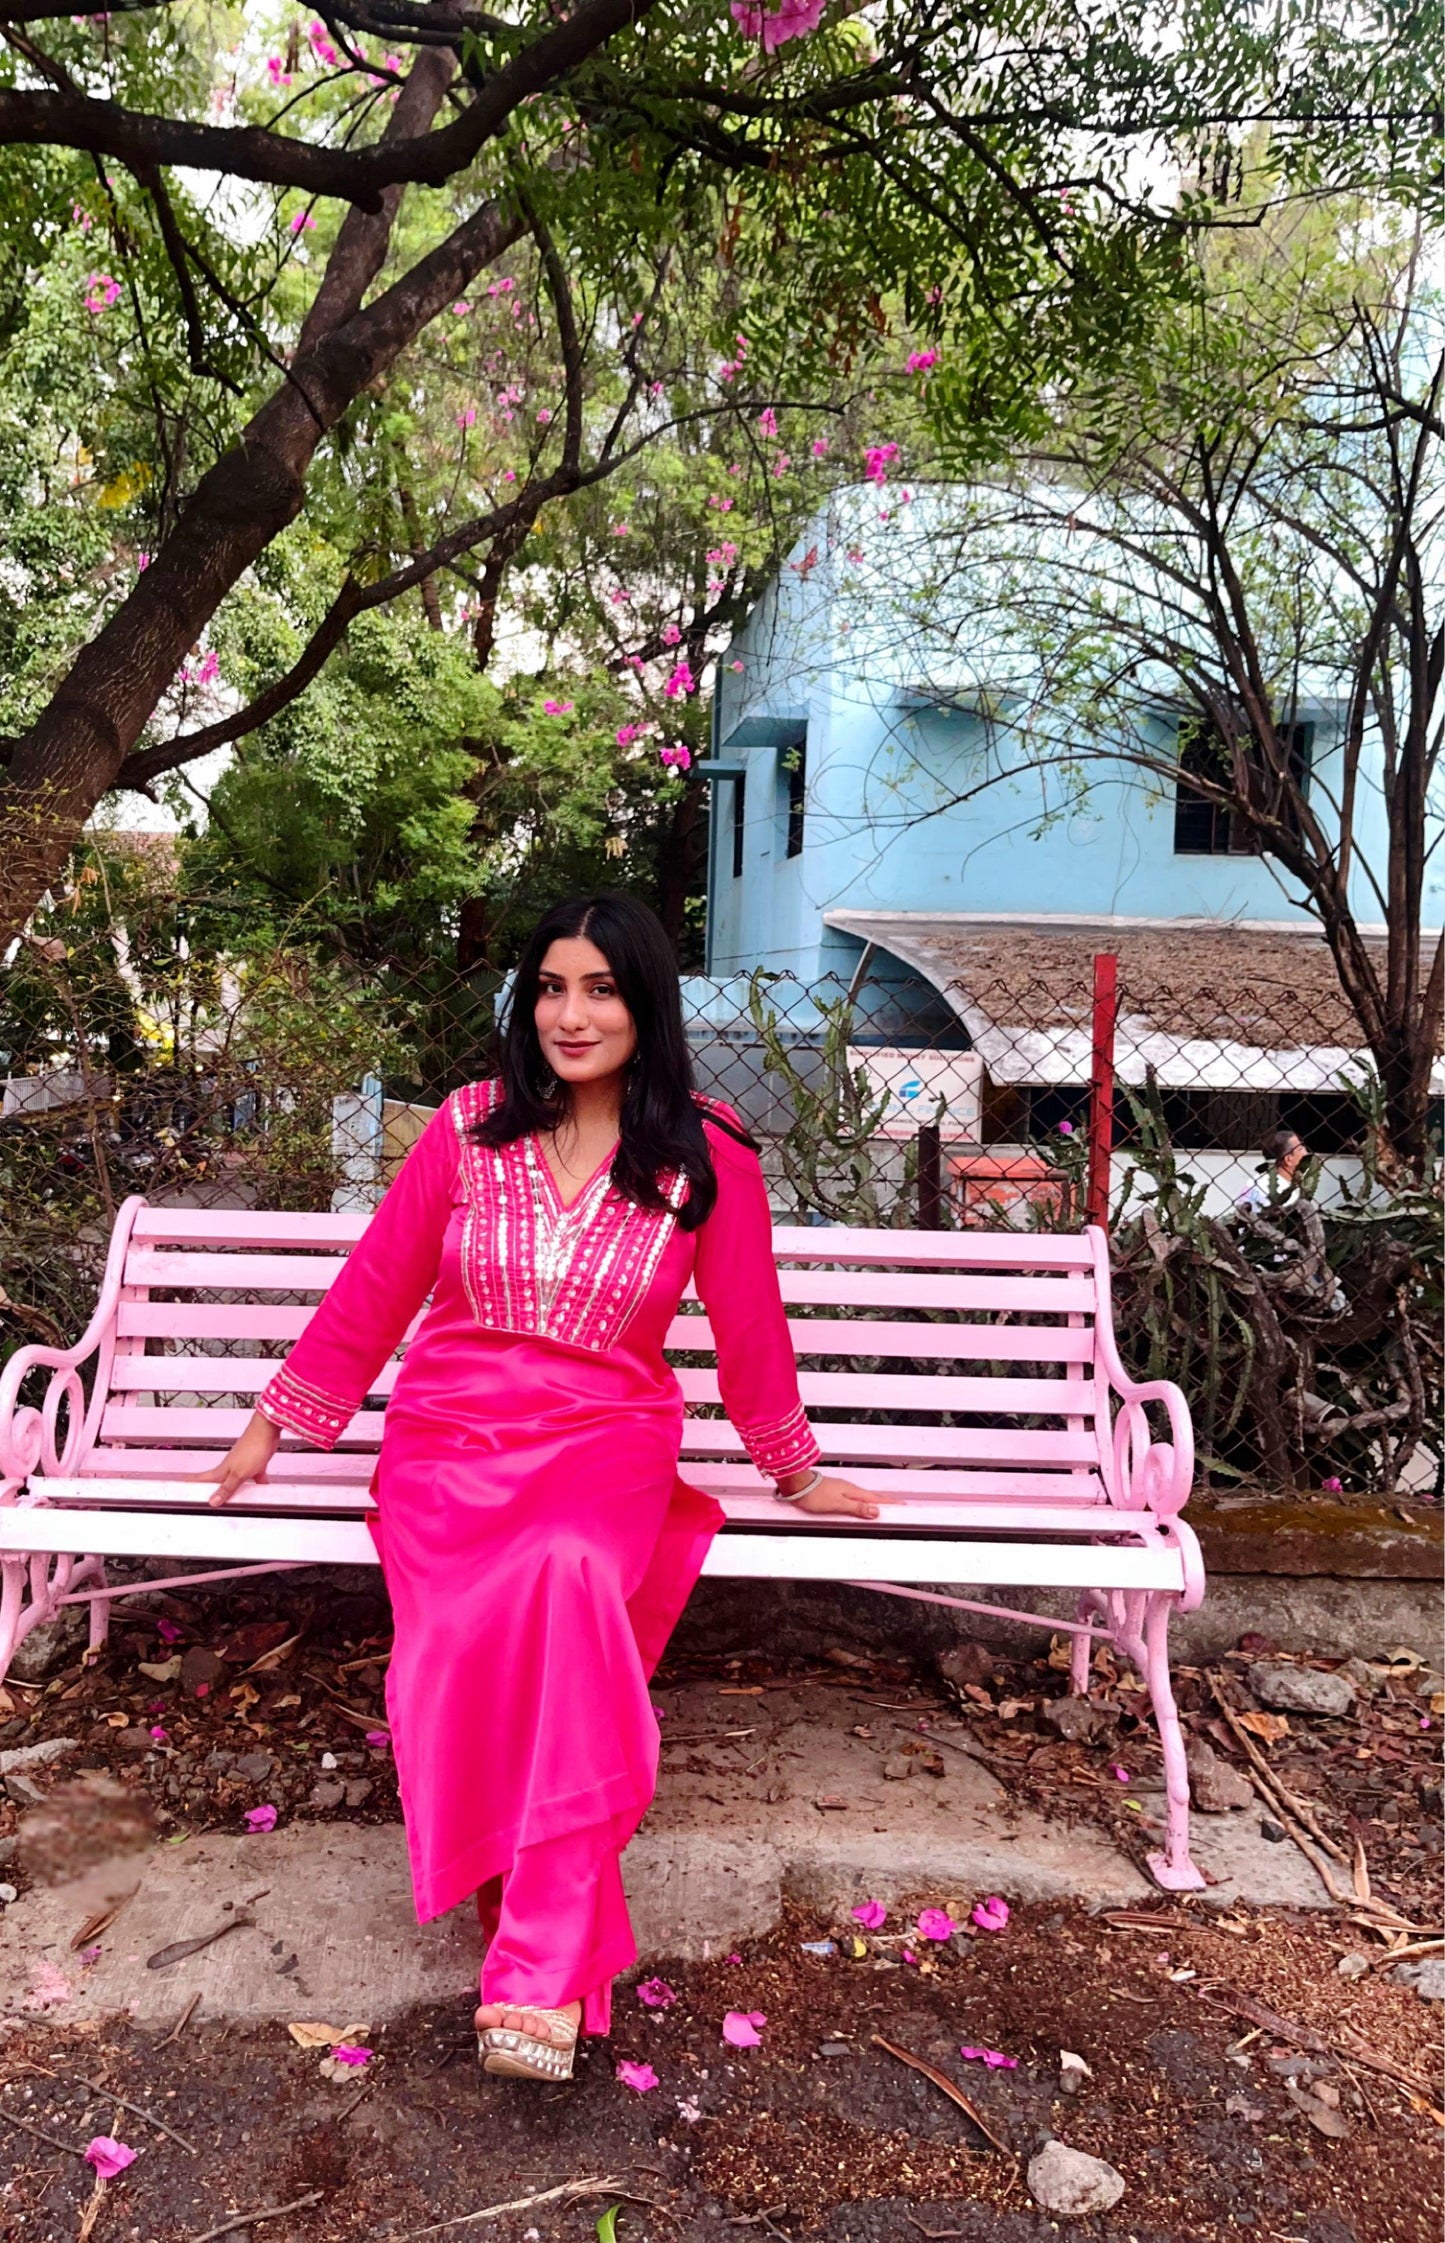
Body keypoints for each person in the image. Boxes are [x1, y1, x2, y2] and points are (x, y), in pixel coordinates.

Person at [201, 894, 885, 2083]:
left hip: (604, 1439)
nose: (572, 1014)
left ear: (645, 1004)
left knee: (568, 1577)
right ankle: (548, 1956)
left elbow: (748, 1325)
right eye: (552, 987)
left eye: (602, 989)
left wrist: (795, 1464)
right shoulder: (468, 1128)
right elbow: (378, 1285)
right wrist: (277, 1418)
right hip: (449, 1441)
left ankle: (533, 1965)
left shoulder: (702, 1154)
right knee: (465, 1628)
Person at [1235, 1125, 1309, 1211]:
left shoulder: (1254, 1182)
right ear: (1288, 1159)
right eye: (1300, 1149)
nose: (1306, 1153)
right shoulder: (1287, 1198)